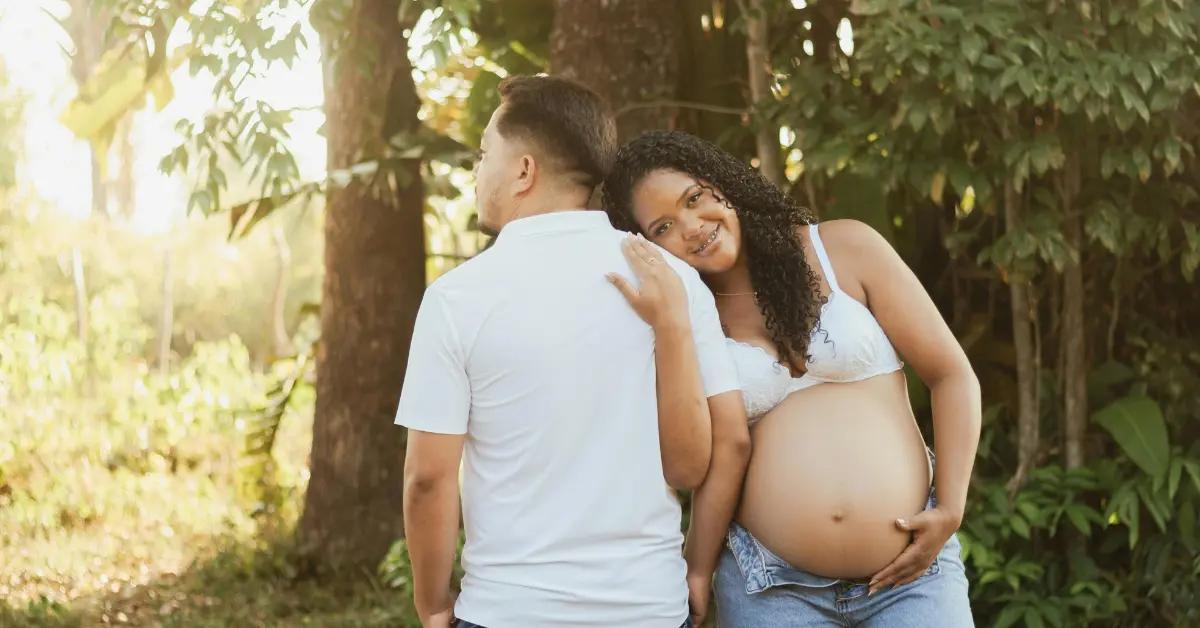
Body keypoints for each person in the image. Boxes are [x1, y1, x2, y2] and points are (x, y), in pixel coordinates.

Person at [395, 76, 748, 628]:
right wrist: (695, 571)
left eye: (485, 153)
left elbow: (428, 479)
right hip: (647, 610)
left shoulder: (456, 299)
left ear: (524, 170)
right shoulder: (674, 281)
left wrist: (433, 604)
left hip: (507, 612)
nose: (476, 171)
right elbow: (709, 454)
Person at [601, 130, 981, 627]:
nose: (693, 227)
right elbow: (709, 458)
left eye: (694, 198)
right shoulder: (683, 320)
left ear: (724, 185)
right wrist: (696, 569)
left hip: (913, 576)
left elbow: (951, 374)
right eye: (664, 226)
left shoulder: (843, 247)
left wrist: (951, 506)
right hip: (770, 589)